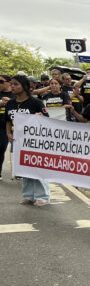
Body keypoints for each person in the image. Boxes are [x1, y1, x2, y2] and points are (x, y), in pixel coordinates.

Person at [4, 74, 50, 205]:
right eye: (11, 84)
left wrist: (40, 116)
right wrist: (8, 133)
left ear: (24, 86)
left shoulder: (36, 102)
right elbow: (8, 121)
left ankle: (42, 196)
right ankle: (28, 195)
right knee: (24, 168)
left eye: (16, 84)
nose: (12, 86)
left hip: (36, 141)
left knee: (37, 168)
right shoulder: (10, 103)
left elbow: (47, 118)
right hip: (19, 141)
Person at [0, 75, 13, 180]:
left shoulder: (15, 94)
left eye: (1, 81)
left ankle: (21, 173)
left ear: (9, 82)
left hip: (13, 127)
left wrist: (10, 103)